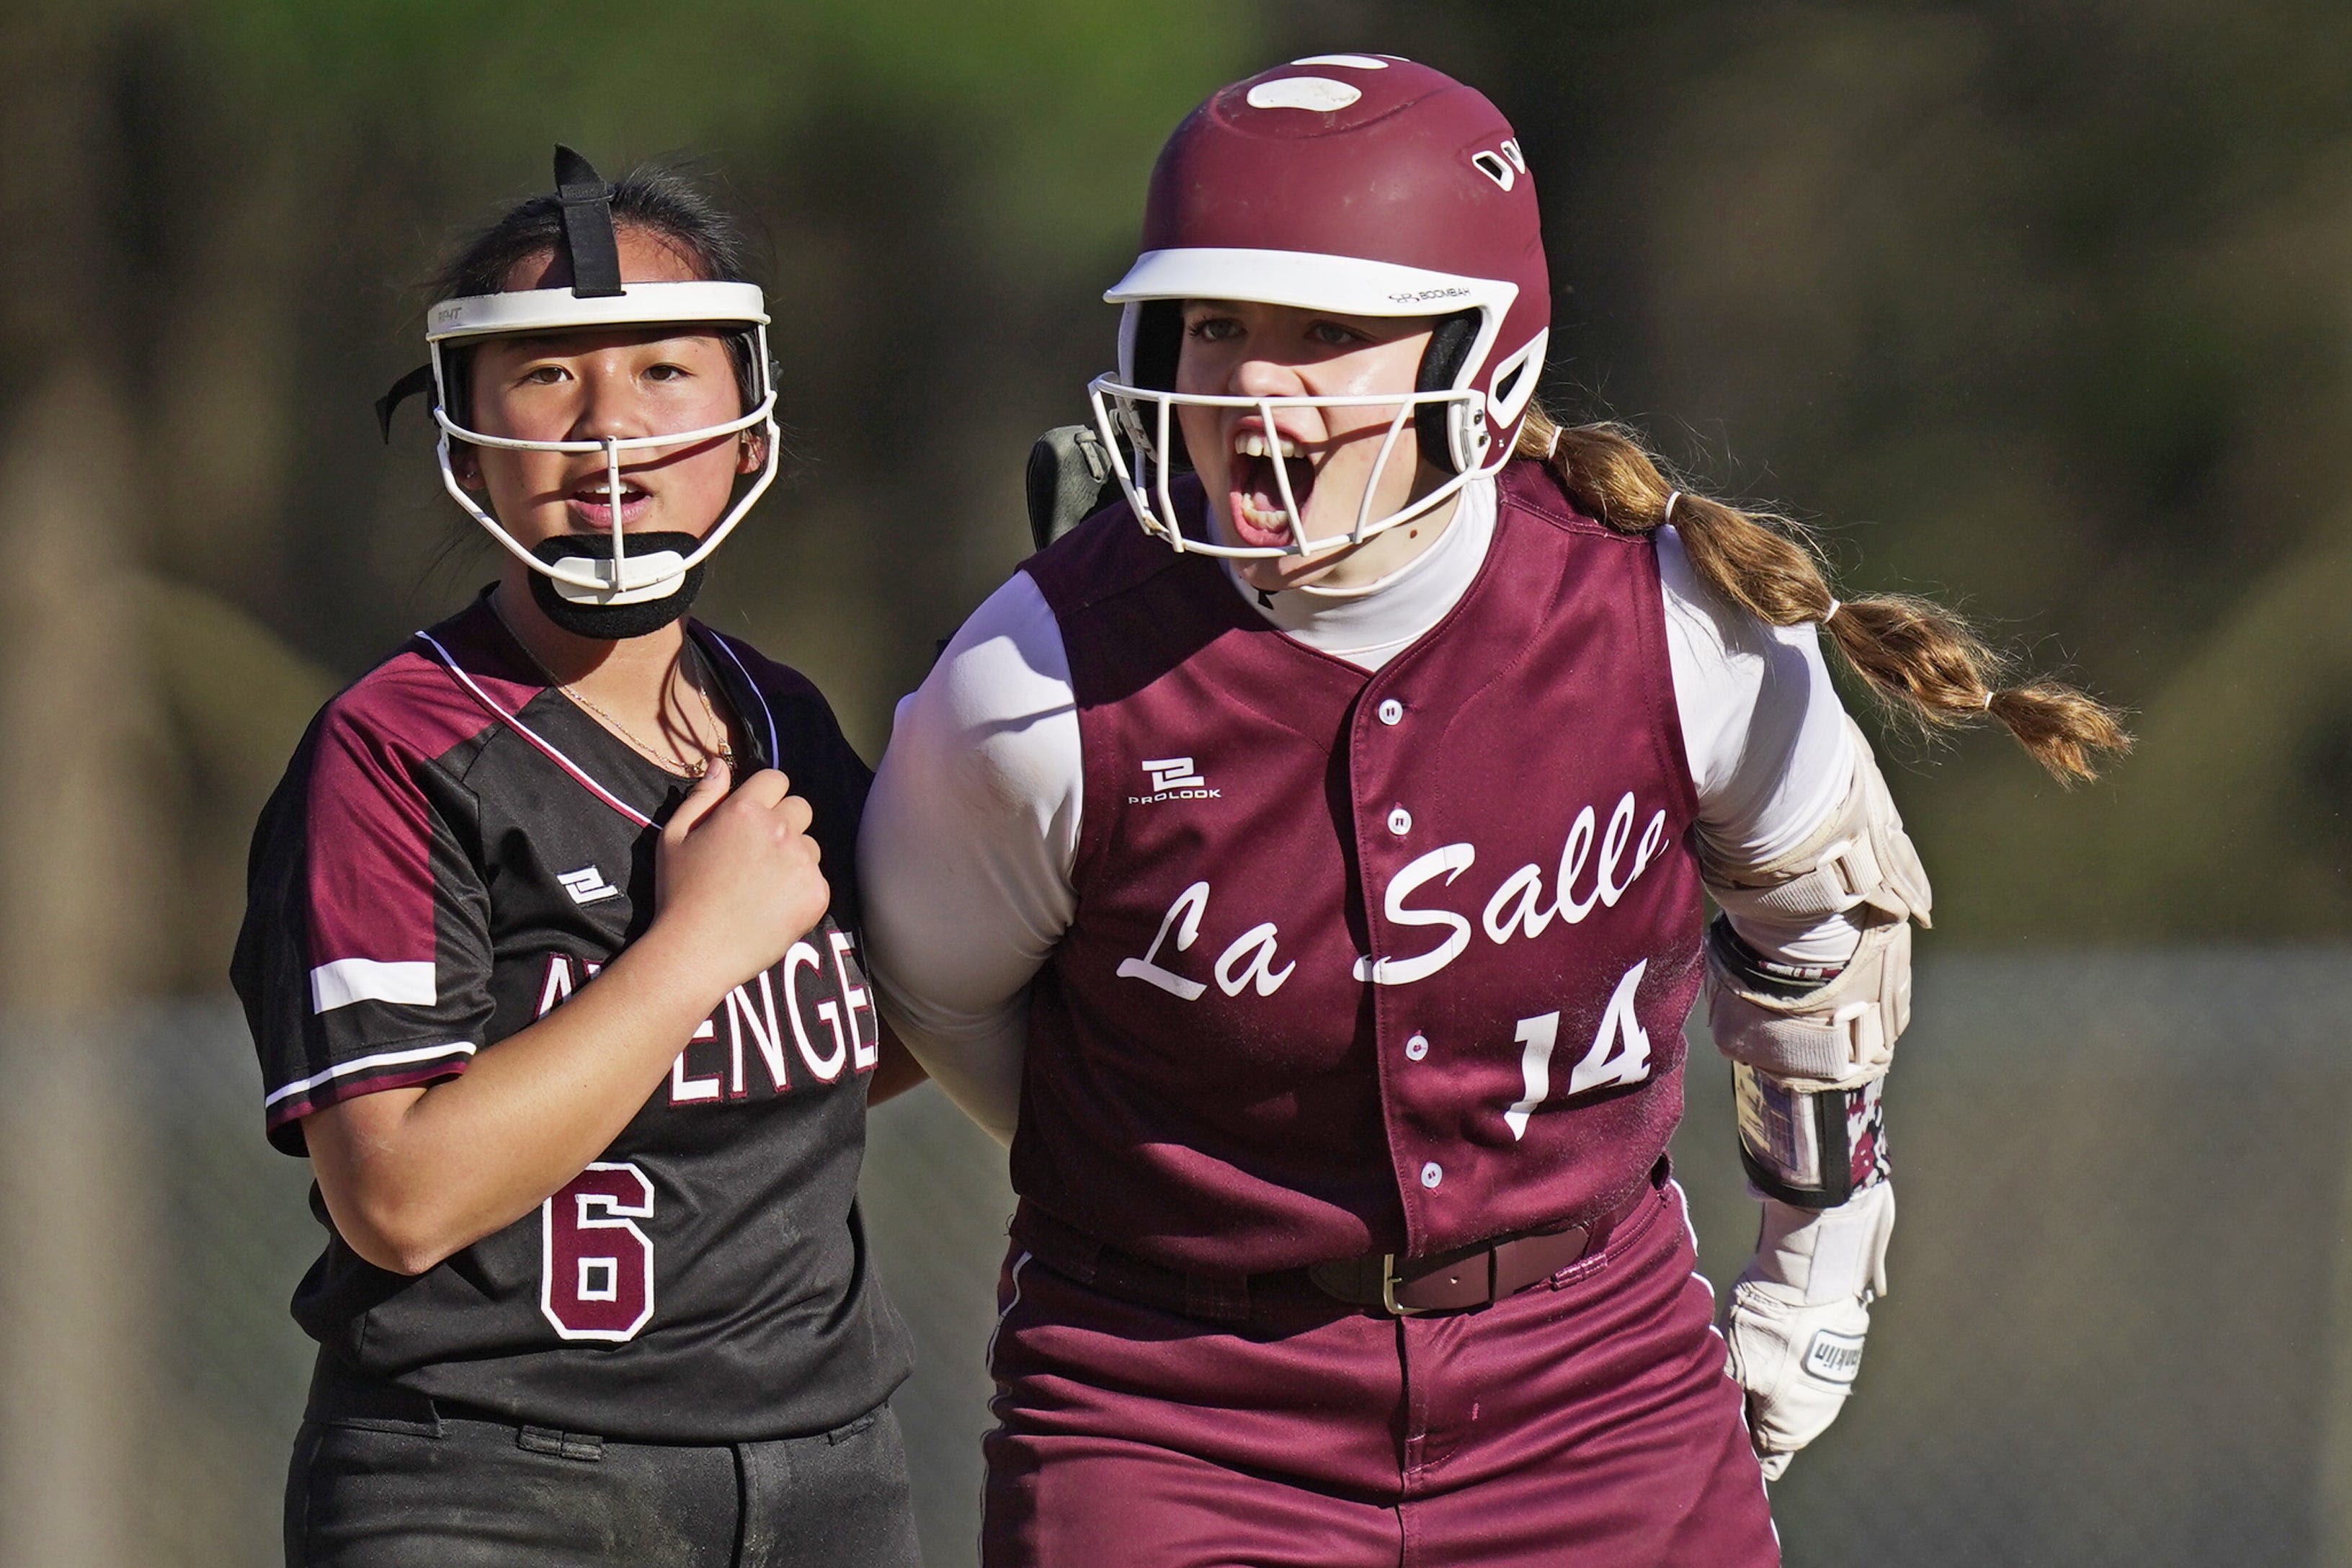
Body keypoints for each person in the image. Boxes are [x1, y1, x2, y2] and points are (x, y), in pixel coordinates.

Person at [858, 58, 2126, 1567]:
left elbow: (1826, 935)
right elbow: (952, 1005)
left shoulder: (1678, 626)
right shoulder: (1028, 681)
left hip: (1594, 1378)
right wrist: (1199, 1178)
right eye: (1214, 327)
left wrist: (1819, 1264)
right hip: (1177, 1402)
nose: (1252, 387)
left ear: (1485, 365)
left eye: (1325, 335)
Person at [233, 148, 925, 1568]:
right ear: (464, 434)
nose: (610, 429)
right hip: (494, 1476)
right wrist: (692, 950)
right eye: (547, 375)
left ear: (749, 422)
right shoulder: (397, 745)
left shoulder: (783, 716)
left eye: (664, 372)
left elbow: (888, 1036)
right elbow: (401, 1194)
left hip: (827, 1462)